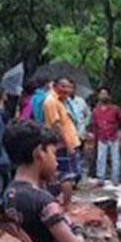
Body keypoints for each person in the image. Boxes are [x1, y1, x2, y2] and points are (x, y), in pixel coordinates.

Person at [41, 77, 80, 208]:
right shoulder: (51, 102)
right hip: (62, 144)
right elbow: (56, 126)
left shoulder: (61, 101)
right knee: (65, 175)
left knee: (67, 174)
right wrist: (68, 144)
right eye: (63, 86)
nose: (67, 90)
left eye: (69, 87)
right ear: (55, 86)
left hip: (68, 141)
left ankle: (65, 202)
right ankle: (66, 205)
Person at [89, 86, 121, 185]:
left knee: (115, 158)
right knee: (100, 158)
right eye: (101, 94)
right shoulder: (96, 111)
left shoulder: (115, 109)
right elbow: (94, 125)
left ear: (109, 96)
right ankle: (101, 179)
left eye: (105, 94)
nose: (103, 96)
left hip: (113, 136)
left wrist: (115, 128)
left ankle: (115, 179)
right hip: (101, 137)